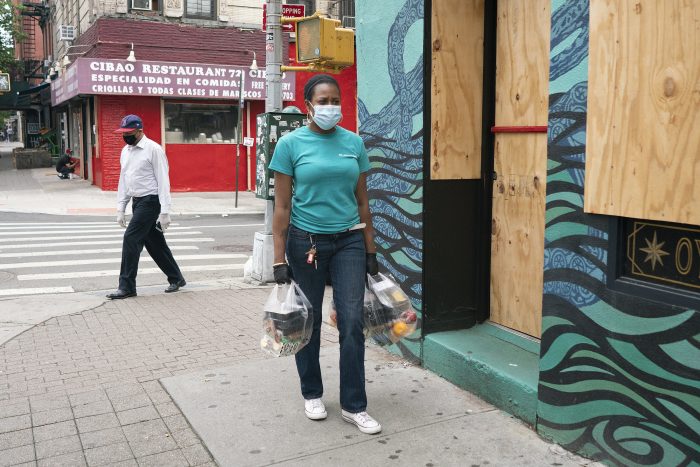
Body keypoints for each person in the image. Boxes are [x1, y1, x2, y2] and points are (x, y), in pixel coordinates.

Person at [269, 74, 382, 435]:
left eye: (335, 100)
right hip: (306, 243)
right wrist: (278, 259)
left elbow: (363, 202)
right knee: (309, 321)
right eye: (323, 100)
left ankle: (354, 404)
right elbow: (282, 206)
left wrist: (370, 251)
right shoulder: (290, 145)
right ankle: (312, 392)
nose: (331, 106)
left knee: (352, 321)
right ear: (308, 105)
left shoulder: (354, 143)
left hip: (349, 239)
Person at [106, 114, 186, 300]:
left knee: (131, 239)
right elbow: (124, 181)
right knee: (154, 243)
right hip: (137, 201)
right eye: (123, 132)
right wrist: (121, 207)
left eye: (129, 132)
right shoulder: (125, 151)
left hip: (151, 201)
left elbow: (163, 180)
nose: (125, 136)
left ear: (139, 130)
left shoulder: (153, 149)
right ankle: (176, 278)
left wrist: (165, 211)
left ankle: (127, 287)